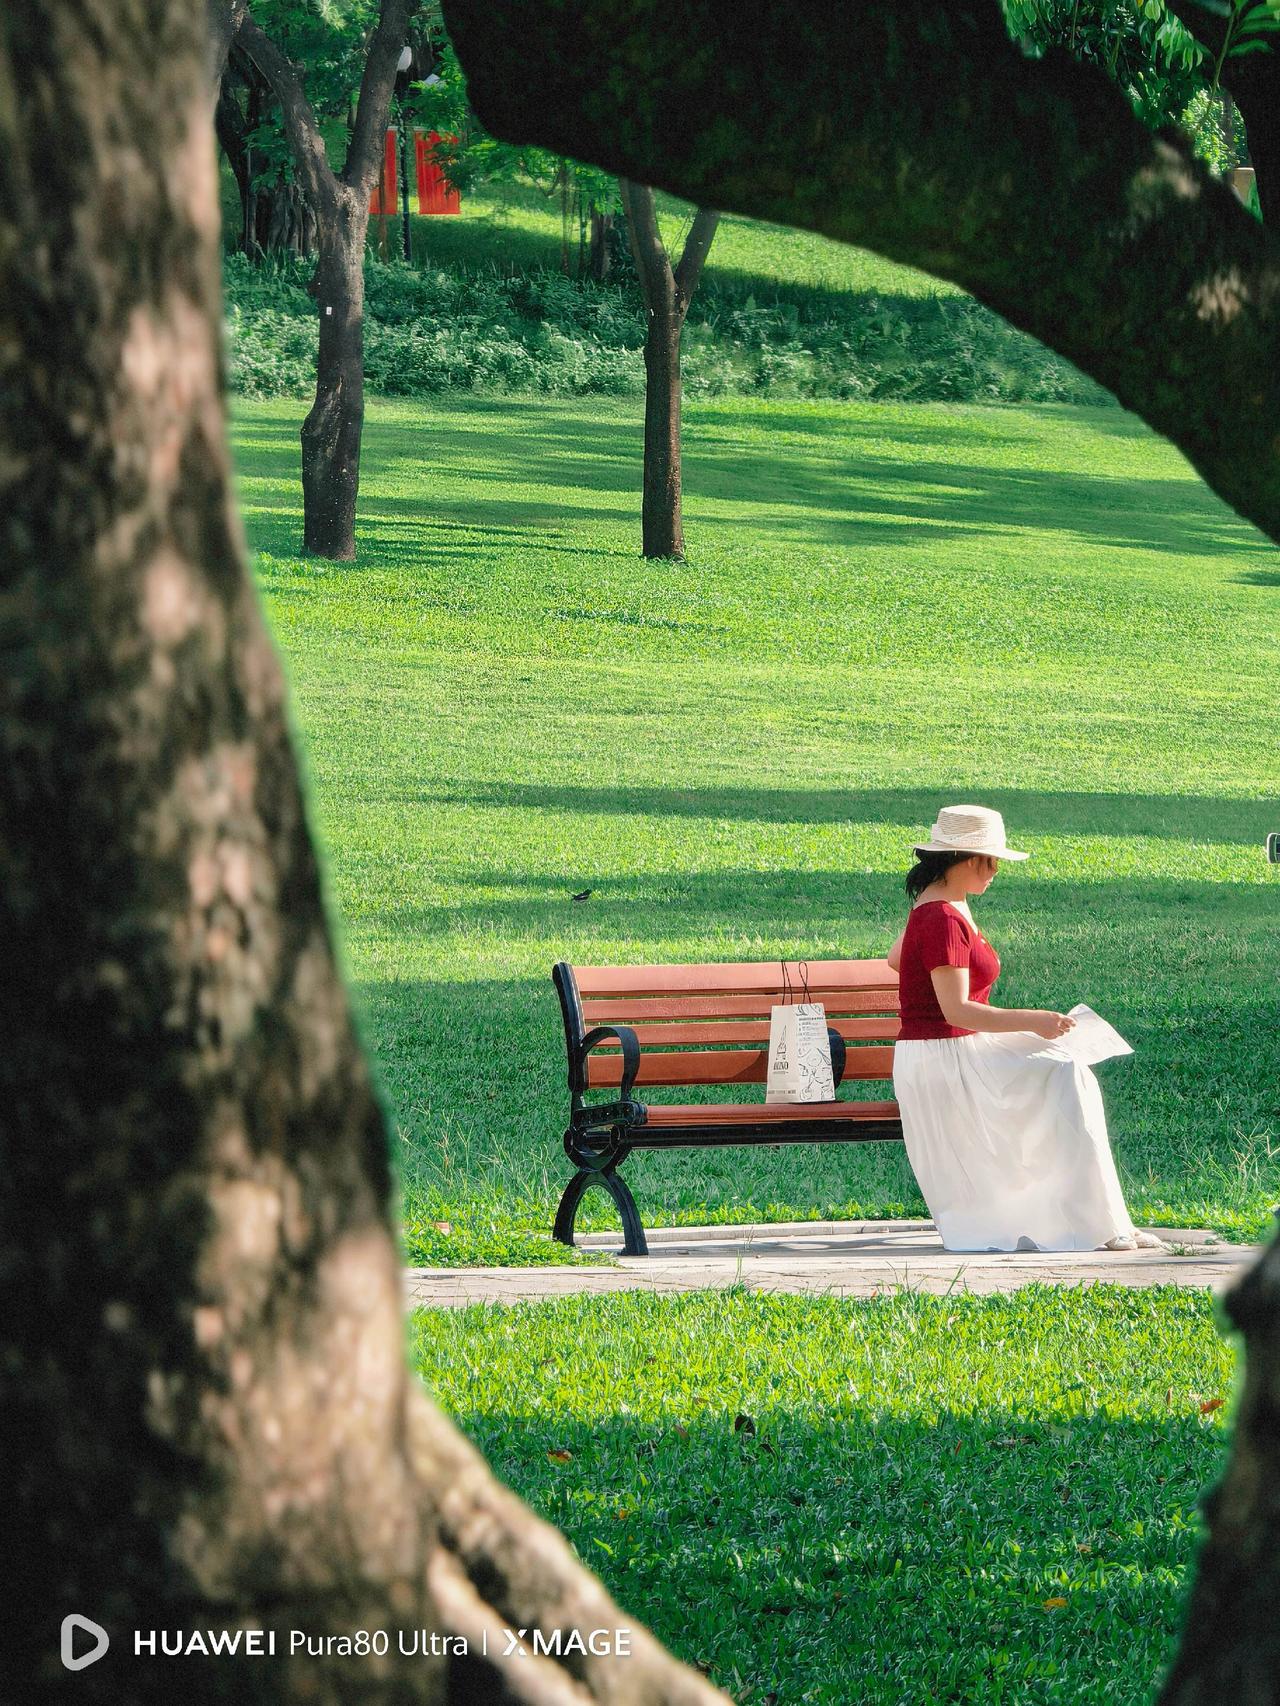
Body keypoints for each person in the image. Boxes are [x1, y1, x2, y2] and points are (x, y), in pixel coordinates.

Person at [885, 804, 1162, 1254]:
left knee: (1068, 1069)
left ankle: (1101, 1221)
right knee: (1067, 1076)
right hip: (945, 1057)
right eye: (993, 861)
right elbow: (957, 1011)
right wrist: (1036, 1021)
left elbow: (898, 959)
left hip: (954, 1048)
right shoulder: (940, 916)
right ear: (970, 859)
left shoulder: (941, 903)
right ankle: (1098, 1224)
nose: (996, 872)